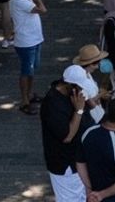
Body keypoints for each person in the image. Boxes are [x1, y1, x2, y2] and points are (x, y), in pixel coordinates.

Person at [43, 65, 97, 201]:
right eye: (80, 87)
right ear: (69, 85)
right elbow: (67, 136)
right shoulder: (53, 104)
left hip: (78, 161)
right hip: (64, 164)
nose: (82, 90)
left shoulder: (72, 95)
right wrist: (78, 111)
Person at [77, 97, 115, 201]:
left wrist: (90, 188)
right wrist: (100, 195)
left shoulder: (88, 132)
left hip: (94, 193)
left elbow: (80, 162)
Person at [12, 0, 48, 115]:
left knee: (31, 69)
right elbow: (42, 10)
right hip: (26, 41)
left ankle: (29, 94)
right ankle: (24, 100)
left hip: (34, 39)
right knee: (26, 71)